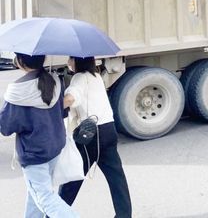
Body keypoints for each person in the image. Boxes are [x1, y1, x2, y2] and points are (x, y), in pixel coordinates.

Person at [0, 53, 79, 218]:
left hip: (34, 154)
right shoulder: (55, 81)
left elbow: (5, 128)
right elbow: (62, 113)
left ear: (20, 62)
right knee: (35, 194)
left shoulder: (17, 91)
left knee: (44, 197)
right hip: (55, 147)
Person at [59, 57, 132, 217]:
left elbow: (72, 98)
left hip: (90, 134)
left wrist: (52, 109)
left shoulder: (79, 77)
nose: (68, 62)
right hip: (109, 129)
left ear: (79, 61)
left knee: (74, 176)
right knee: (116, 178)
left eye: (71, 59)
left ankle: (55, 213)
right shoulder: (96, 76)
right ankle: (124, 215)